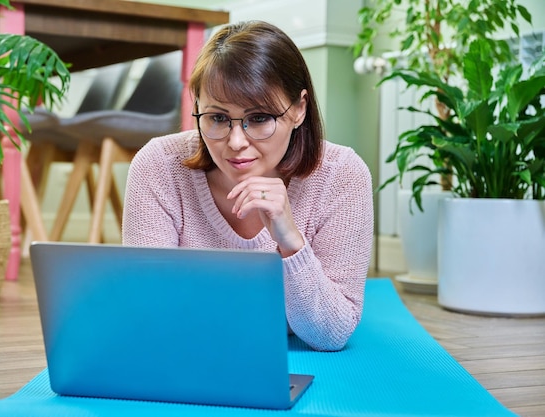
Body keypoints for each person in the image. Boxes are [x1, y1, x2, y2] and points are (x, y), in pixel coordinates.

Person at [122, 20, 374, 351]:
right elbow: (148, 312)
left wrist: (290, 242)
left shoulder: (342, 175)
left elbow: (331, 333)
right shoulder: (159, 165)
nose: (236, 142)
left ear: (299, 108)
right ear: (196, 108)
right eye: (217, 118)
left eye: (259, 118)